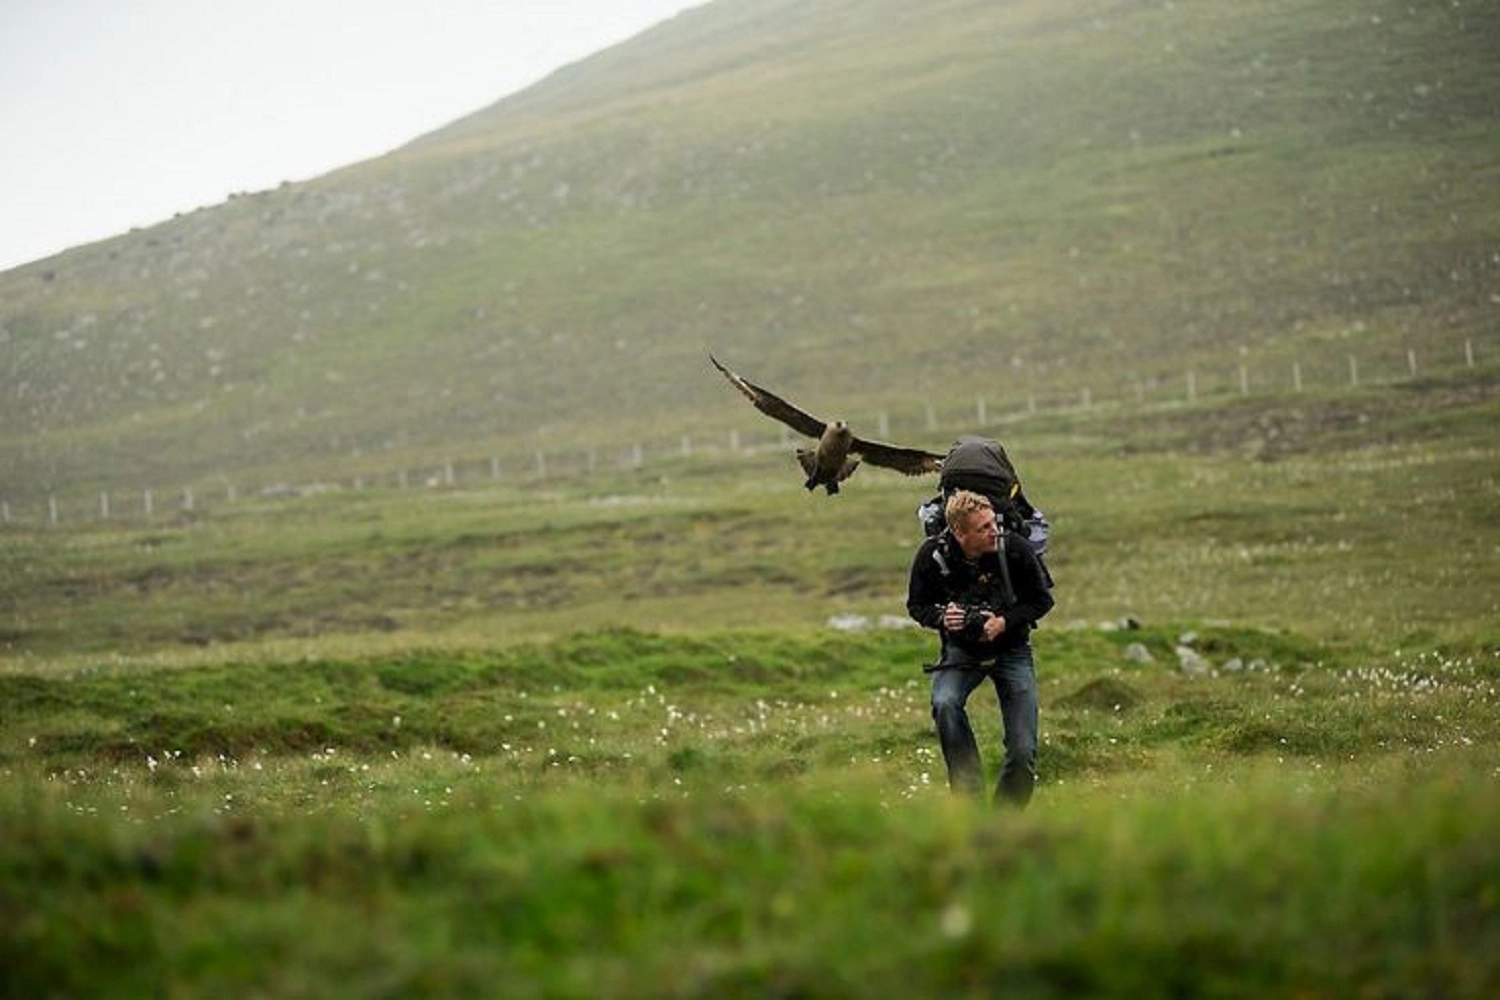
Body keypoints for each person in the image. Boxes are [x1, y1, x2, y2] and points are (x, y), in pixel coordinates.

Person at [906, 489, 1054, 806]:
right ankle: (969, 803)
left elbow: (1042, 600)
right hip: (962, 652)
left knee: (1022, 750)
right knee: (945, 703)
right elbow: (916, 605)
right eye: (983, 528)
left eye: (993, 523)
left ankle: (1005, 825)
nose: (994, 531)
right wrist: (944, 616)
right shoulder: (933, 555)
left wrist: (1005, 621)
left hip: (1012, 648)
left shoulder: (1014, 548)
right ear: (960, 533)